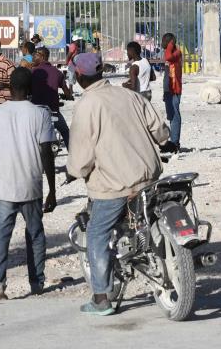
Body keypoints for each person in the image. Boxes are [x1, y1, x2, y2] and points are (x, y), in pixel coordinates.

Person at [67, 53, 169, 316]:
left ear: (78, 77)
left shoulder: (87, 104)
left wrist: (74, 171)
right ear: (101, 72)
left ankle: (101, 298)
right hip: (149, 177)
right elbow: (160, 130)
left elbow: (81, 155)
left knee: (97, 233)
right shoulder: (129, 95)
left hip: (115, 184)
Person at [0, 67, 57, 300]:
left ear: (9, 87)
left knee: (0, 236)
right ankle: (36, 283)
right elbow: (47, 153)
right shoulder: (40, 114)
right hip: (30, 184)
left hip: (2, 186)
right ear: (30, 88)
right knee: (35, 234)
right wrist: (52, 189)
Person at [31, 47, 73, 148]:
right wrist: (68, 97)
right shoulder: (57, 72)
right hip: (53, 111)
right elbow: (67, 92)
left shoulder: (33, 72)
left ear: (42, 56)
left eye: (35, 55)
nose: (33, 57)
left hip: (36, 112)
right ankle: (72, 154)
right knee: (65, 131)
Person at [161, 33, 183, 153]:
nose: (162, 43)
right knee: (171, 116)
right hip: (168, 90)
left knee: (175, 116)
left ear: (170, 43)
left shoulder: (176, 53)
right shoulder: (168, 52)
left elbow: (169, 57)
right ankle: (173, 142)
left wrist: (170, 45)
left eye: (165, 41)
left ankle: (175, 143)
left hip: (175, 90)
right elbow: (166, 75)